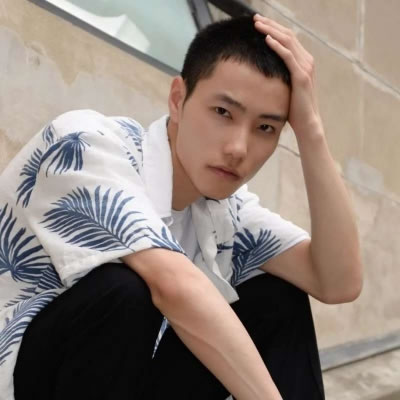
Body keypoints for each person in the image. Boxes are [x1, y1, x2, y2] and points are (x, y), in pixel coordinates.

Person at [0, 13, 362, 400]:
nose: (238, 148)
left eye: (265, 128)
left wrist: (310, 129)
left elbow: (337, 282)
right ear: (178, 99)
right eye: (223, 112)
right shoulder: (86, 145)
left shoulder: (225, 212)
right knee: (125, 291)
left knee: (278, 298)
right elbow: (173, 285)